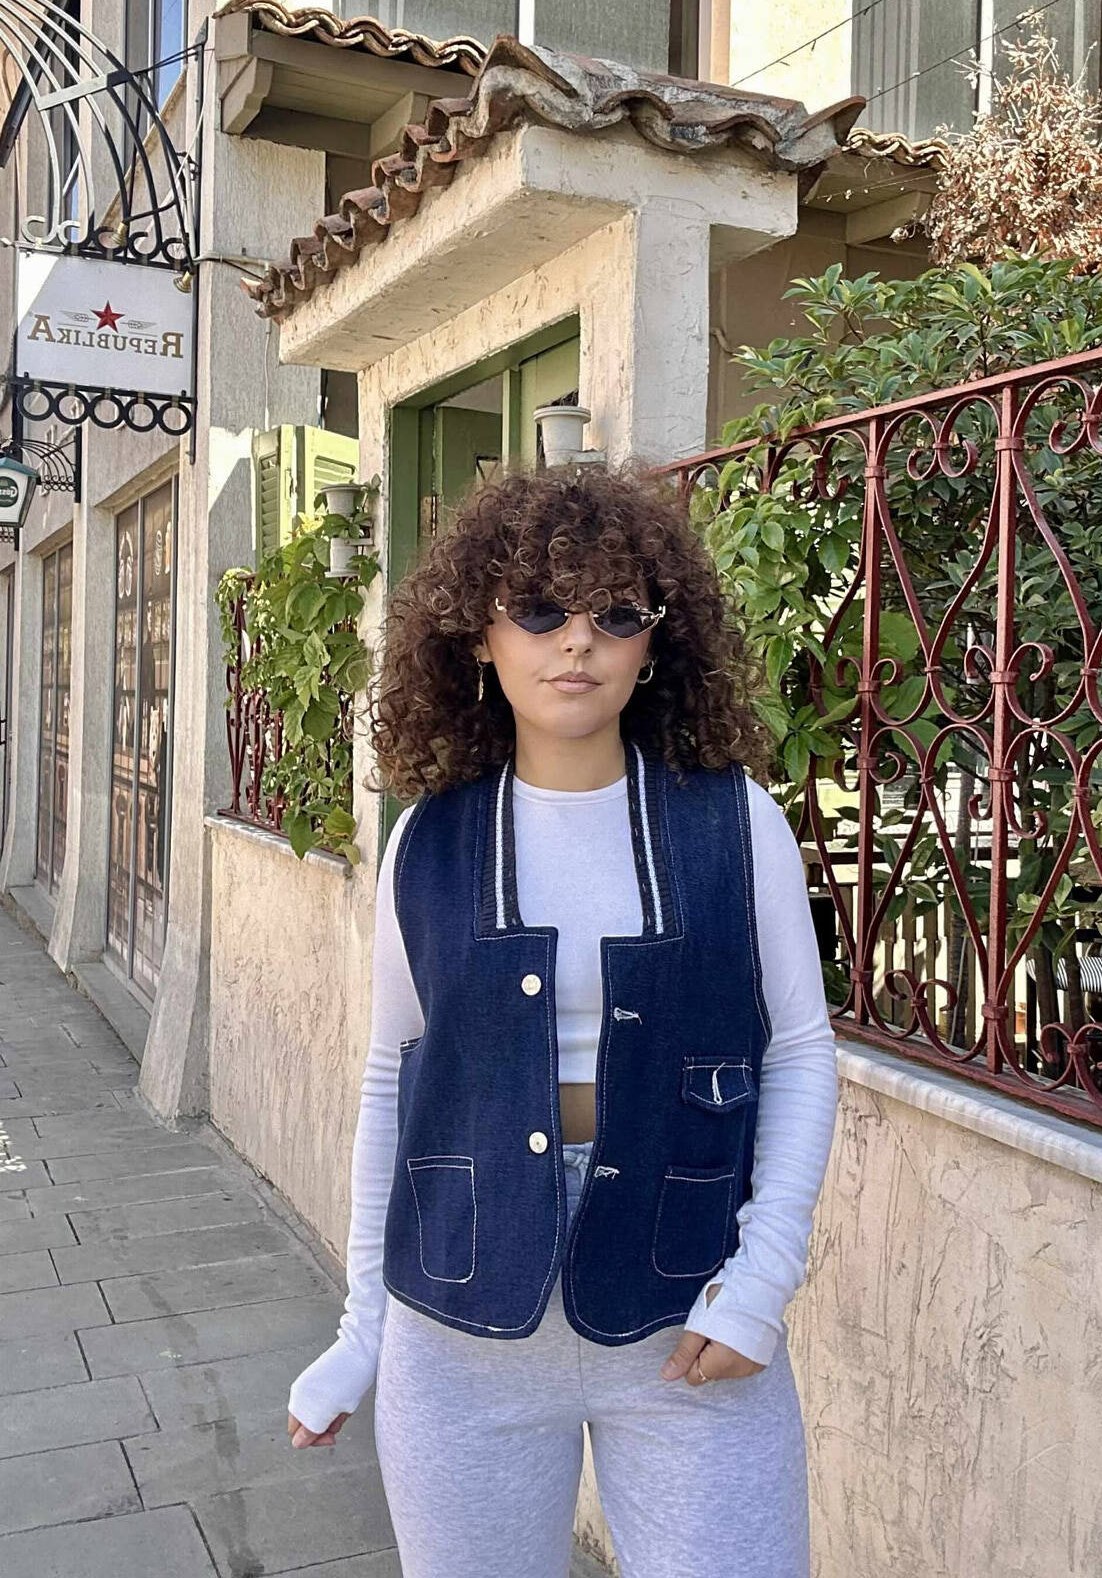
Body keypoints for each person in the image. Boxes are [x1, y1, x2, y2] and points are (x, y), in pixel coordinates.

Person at [286, 459, 840, 1578]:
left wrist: (761, 1285)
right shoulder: (429, 842)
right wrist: (364, 1331)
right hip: (461, 1323)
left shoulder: (736, 822)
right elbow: (397, 1080)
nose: (577, 641)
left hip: (687, 1312)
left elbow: (798, 1051)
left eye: (616, 613)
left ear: (655, 643)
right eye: (539, 611)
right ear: (479, 637)